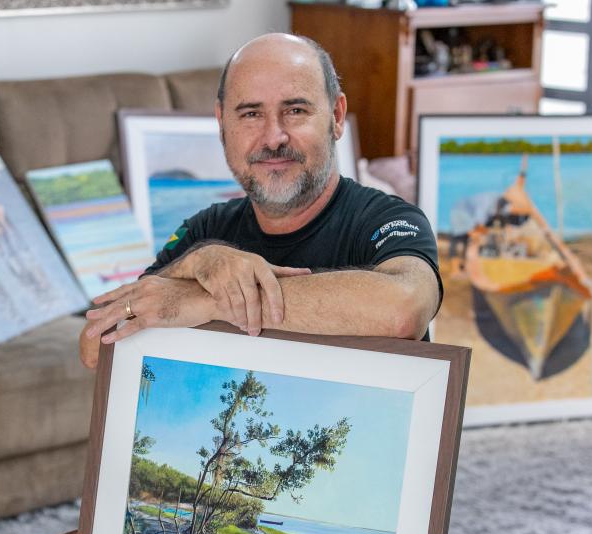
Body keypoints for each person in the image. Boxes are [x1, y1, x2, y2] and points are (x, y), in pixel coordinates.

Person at [80, 33, 442, 369]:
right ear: (222, 122)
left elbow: (404, 309)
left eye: (296, 110)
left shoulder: (387, 219)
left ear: (336, 117)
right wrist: (194, 266)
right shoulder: (206, 231)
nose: (273, 137)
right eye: (251, 114)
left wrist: (213, 301)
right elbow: (96, 348)